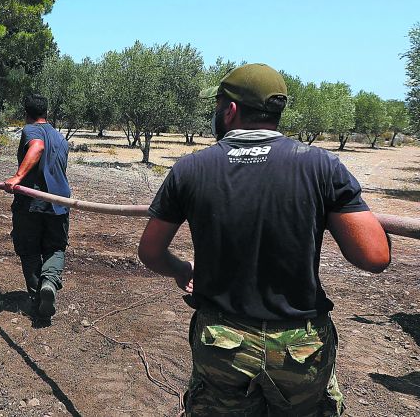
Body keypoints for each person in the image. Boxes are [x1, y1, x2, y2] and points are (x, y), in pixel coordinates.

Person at [137, 63, 391, 416]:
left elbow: (150, 251)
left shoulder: (191, 169)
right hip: (300, 350)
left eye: (217, 106)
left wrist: (182, 270)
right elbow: (374, 256)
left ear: (231, 110)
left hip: (223, 343)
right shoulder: (320, 166)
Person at [4, 93, 71, 323]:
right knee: (55, 248)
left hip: (31, 203)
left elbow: (38, 147)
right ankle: (49, 283)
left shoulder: (32, 130)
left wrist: (17, 176)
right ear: (46, 112)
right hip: (60, 204)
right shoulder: (61, 138)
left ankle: (36, 299)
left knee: (29, 250)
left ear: (26, 113)